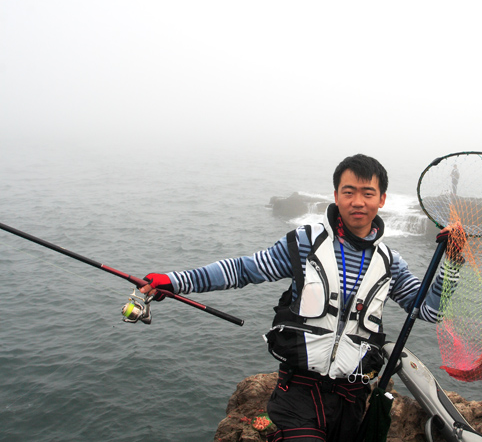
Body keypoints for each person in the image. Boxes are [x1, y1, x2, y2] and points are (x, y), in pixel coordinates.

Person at [140, 154, 461, 442]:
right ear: (336, 196)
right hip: (299, 393)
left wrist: (453, 263)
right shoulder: (305, 244)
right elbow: (242, 270)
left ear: (382, 199)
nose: (358, 202)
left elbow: (429, 310)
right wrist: (175, 281)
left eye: (368, 193)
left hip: (352, 397)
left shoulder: (390, 263)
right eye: (349, 192)